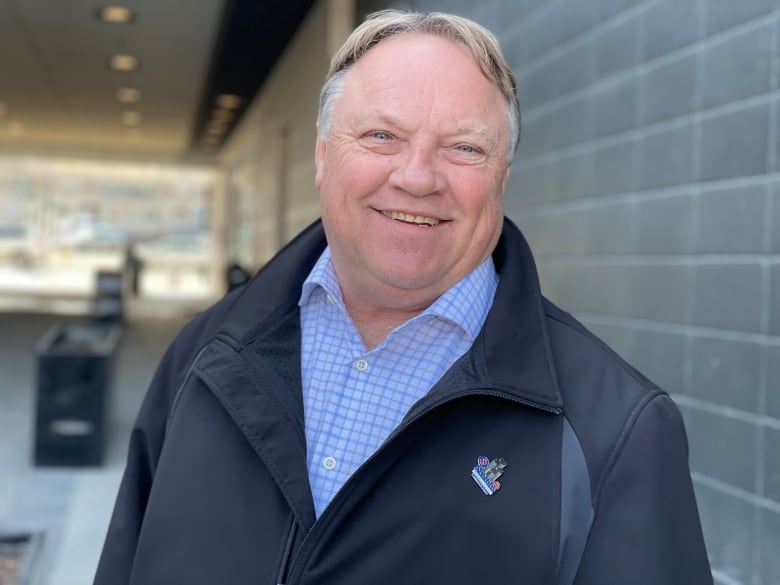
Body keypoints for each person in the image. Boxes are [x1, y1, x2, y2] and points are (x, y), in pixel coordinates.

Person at [94, 10, 713, 585]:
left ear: (502, 176)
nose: (417, 177)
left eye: (464, 148)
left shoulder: (615, 430)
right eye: (382, 136)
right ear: (322, 155)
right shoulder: (207, 353)